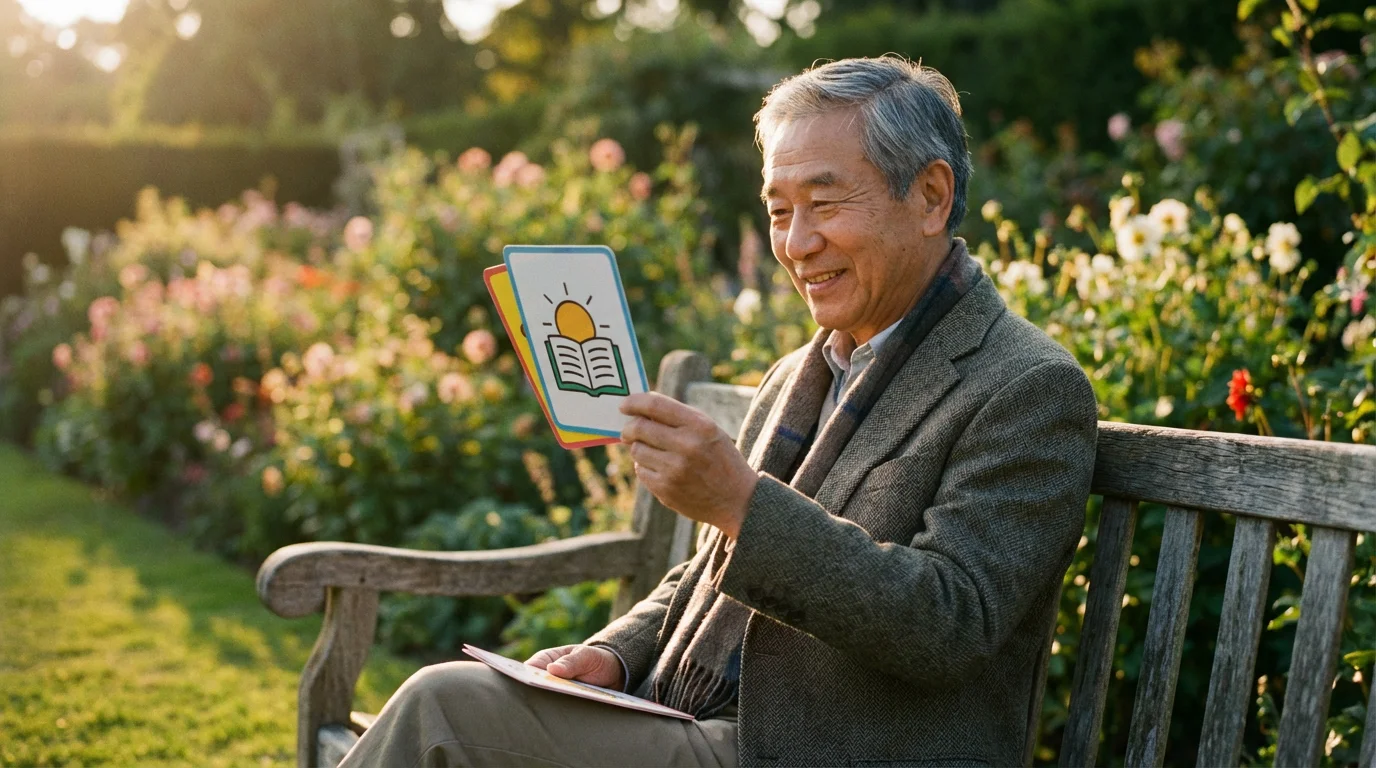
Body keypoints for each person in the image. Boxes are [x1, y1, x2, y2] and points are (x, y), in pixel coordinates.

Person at [338, 55, 1098, 768]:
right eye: (778, 210)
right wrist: (616, 655)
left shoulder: (1026, 387)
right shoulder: (806, 371)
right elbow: (706, 572)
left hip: (832, 749)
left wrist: (740, 501)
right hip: (706, 723)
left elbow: (950, 622)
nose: (797, 244)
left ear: (930, 197)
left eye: (825, 203)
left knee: (443, 710)